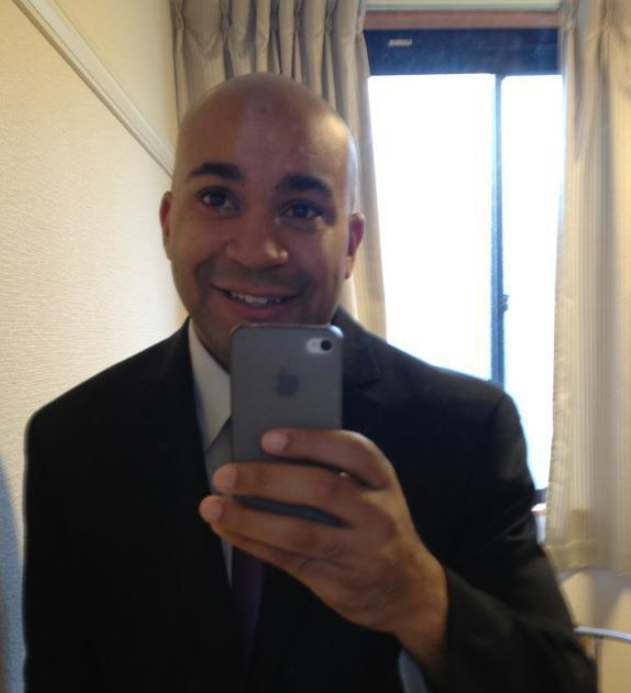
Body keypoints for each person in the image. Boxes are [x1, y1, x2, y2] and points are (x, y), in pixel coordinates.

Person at [23, 74, 596, 693]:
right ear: (168, 224)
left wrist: (418, 597)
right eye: (217, 198)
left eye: (300, 209)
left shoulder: (466, 429)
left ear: (349, 245)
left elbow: (562, 683)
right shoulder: (72, 442)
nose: (255, 250)